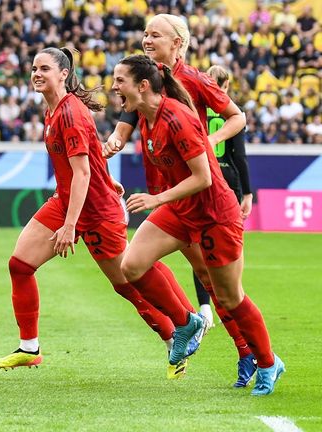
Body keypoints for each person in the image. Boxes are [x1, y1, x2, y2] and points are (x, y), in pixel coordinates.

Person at [0, 47, 200, 380]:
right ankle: (29, 348)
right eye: (33, 68)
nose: (36, 73)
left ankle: (175, 333)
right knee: (19, 264)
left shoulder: (69, 113)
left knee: (128, 281)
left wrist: (70, 226)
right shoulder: (54, 109)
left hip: (95, 209)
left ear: (63, 73)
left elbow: (83, 174)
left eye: (44, 68)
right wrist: (107, 177)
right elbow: (87, 161)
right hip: (69, 198)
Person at [112, 54, 284, 396]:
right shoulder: (146, 119)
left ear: (143, 86)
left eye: (120, 81)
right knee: (131, 266)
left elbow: (204, 177)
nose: (114, 87)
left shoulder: (177, 117)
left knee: (230, 297)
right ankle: (187, 322)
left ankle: (268, 363)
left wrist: (157, 199)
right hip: (181, 209)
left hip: (214, 215)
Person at [201, 64, 259, 387]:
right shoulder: (229, 113)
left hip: (206, 187)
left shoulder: (196, 109)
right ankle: (245, 347)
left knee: (206, 263)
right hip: (228, 186)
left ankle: (204, 308)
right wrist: (247, 192)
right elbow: (240, 157)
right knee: (218, 268)